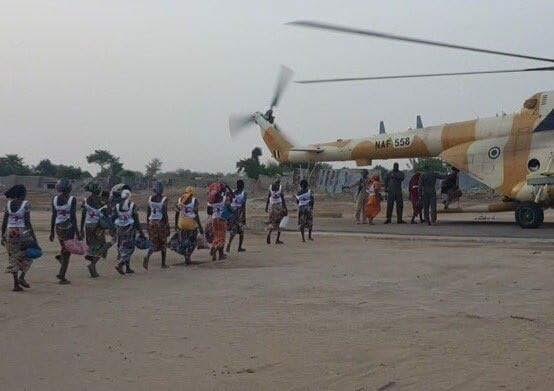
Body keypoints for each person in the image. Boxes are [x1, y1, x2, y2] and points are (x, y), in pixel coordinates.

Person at [1, 185, 36, 292]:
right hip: (22, 232)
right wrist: (33, 237)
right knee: (29, 255)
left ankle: (16, 284)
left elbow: (4, 222)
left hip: (10, 232)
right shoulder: (26, 204)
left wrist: (2, 235)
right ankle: (22, 277)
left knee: (13, 258)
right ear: (22, 194)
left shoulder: (8, 204)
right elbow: (27, 222)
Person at [50, 178, 80, 285]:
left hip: (58, 228)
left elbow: (54, 215)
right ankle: (62, 275)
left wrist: (52, 231)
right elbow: (73, 217)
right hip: (69, 228)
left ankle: (61, 260)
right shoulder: (72, 199)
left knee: (64, 248)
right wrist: (77, 232)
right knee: (67, 252)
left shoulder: (54, 199)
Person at [80, 182, 110, 278]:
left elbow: (83, 215)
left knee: (92, 246)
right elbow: (106, 214)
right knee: (102, 247)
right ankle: (92, 265)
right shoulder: (101, 201)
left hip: (88, 226)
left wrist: (81, 229)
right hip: (98, 227)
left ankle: (92, 265)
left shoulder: (86, 200)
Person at [114, 189, 145, 275]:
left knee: (122, 248)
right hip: (130, 230)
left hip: (120, 229)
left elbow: (113, 218)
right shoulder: (132, 206)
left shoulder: (117, 206)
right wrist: (141, 232)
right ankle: (121, 264)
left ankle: (127, 268)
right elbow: (136, 220)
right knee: (130, 248)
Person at [143, 181, 170, 270]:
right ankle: (163, 264)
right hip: (160, 223)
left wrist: (147, 224)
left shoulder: (150, 198)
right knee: (163, 243)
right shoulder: (164, 199)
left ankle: (147, 256)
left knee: (153, 242)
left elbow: (148, 212)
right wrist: (167, 225)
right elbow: (164, 213)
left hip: (151, 222)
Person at [175, 186, 203, 265]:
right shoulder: (195, 200)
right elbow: (196, 214)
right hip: (191, 224)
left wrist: (176, 224)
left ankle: (186, 257)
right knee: (193, 241)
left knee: (184, 241)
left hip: (182, 223)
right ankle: (188, 255)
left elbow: (177, 212)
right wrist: (200, 226)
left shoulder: (180, 199)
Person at [207, 183, 229, 261]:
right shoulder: (224, 199)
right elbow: (228, 208)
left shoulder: (211, 201)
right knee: (222, 237)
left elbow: (209, 212)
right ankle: (219, 252)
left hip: (214, 219)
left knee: (216, 236)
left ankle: (214, 248)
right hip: (222, 219)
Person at [227, 179, 247, 253]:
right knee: (240, 231)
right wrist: (244, 216)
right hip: (238, 213)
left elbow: (228, 201)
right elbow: (243, 206)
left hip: (232, 213)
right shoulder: (244, 194)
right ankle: (238, 247)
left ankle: (230, 244)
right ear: (243, 186)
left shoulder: (232, 193)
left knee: (235, 230)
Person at [265, 179, 287, 244]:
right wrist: (285, 208)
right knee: (280, 223)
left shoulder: (270, 188)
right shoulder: (280, 188)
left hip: (272, 206)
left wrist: (266, 206)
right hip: (279, 207)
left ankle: (269, 234)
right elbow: (282, 198)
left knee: (271, 222)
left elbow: (268, 197)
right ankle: (277, 239)